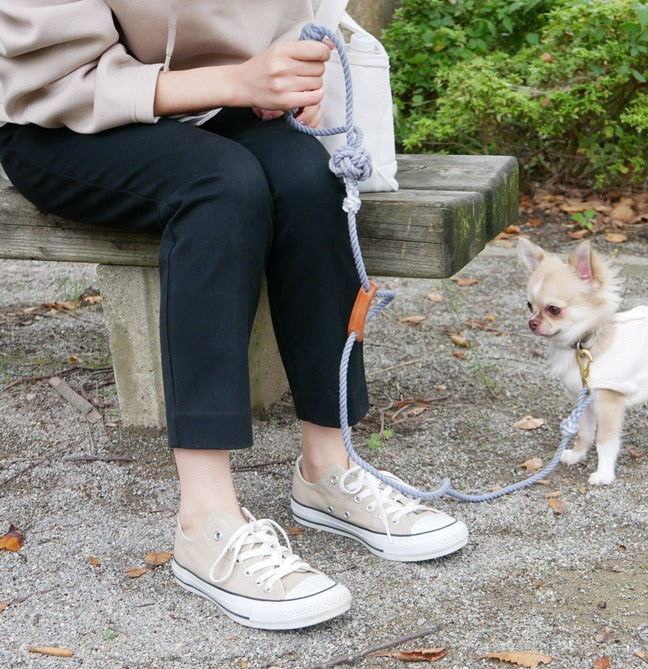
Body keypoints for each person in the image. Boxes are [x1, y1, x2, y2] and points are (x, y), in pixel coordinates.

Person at [0, 1, 468, 631]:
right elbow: (50, 78)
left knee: (308, 175)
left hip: (218, 108)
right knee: (222, 186)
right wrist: (239, 80)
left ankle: (329, 467)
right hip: (63, 119)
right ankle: (206, 521)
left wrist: (291, 76)